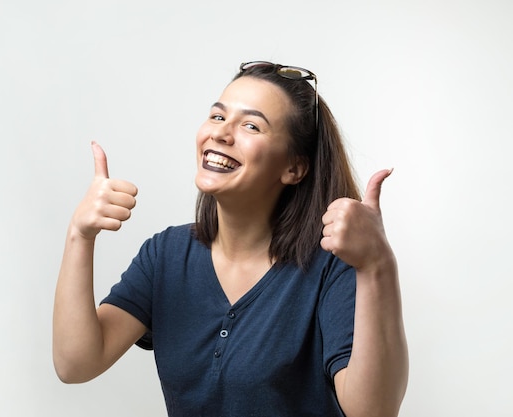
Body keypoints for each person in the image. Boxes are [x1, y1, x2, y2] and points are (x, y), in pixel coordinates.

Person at [53, 61, 409, 417]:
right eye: (218, 117)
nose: (221, 134)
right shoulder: (166, 256)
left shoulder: (334, 266)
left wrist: (378, 264)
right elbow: (76, 364)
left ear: (294, 168)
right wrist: (79, 235)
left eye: (251, 125)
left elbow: (373, 412)